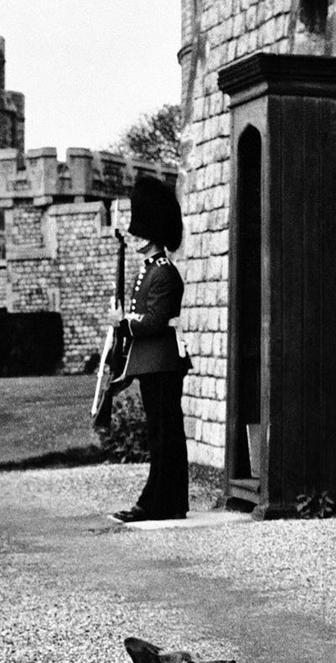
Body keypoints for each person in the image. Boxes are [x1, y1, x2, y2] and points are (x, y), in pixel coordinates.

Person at [111, 176, 190, 523]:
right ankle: (167, 500)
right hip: (150, 361)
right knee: (160, 433)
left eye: (143, 231)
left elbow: (154, 320)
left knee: (164, 434)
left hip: (162, 361)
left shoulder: (164, 273)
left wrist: (123, 322)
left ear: (155, 234)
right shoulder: (149, 271)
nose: (136, 236)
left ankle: (160, 501)